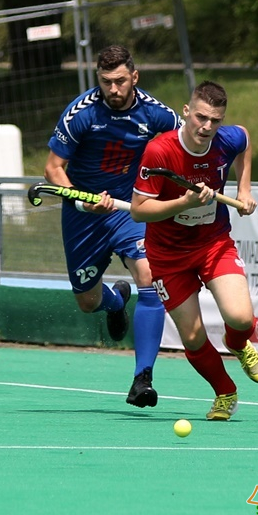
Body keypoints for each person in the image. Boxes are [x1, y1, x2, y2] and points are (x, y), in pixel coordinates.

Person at [44, 44, 182, 408]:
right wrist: (82, 199)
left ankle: (143, 379)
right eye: (106, 82)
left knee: (150, 277)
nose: (114, 89)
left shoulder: (155, 113)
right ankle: (115, 301)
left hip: (129, 209)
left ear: (134, 77)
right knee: (87, 301)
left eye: (121, 81)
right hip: (84, 216)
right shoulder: (81, 114)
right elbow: (54, 169)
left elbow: (184, 148)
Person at [131, 80, 258, 421]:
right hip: (167, 254)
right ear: (187, 112)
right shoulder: (159, 151)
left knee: (240, 319)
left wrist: (245, 189)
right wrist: (183, 203)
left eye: (215, 120)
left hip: (213, 243)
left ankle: (238, 344)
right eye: (202, 118)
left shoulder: (225, 140)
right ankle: (225, 392)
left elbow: (246, 140)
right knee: (192, 337)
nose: (207, 127)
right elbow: (138, 210)